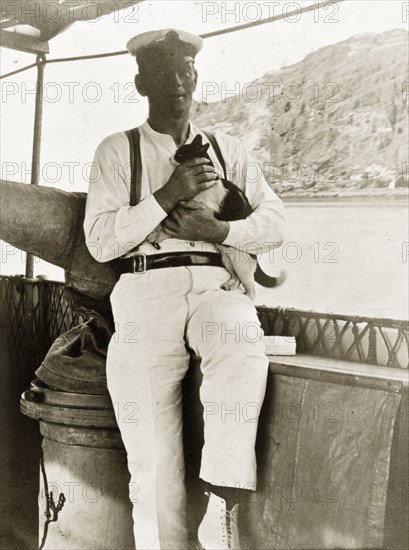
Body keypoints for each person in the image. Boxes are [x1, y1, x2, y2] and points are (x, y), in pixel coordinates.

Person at [84, 28, 285, 550]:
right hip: (147, 288)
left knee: (242, 340)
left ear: (195, 78)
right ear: (140, 83)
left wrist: (218, 232)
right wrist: (166, 195)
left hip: (216, 281)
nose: (177, 84)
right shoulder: (117, 151)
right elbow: (101, 241)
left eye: (185, 73)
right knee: (151, 457)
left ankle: (220, 504)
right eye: (162, 74)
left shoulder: (228, 148)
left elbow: (276, 222)